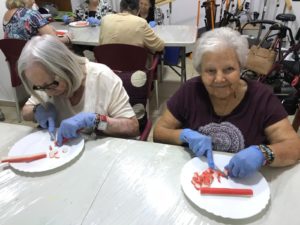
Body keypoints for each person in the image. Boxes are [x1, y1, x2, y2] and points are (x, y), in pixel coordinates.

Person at [153, 27, 300, 179]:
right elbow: (159, 132)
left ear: (240, 66)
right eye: (210, 71)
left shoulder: (261, 97)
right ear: (200, 71)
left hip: (247, 185)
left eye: (229, 69)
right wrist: (183, 135)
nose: (219, 79)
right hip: (198, 179)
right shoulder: (190, 90)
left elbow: (294, 147)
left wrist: (263, 153)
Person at [18, 35, 139, 146]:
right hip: (64, 151)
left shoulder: (102, 77)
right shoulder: (44, 81)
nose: (48, 93)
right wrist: (37, 110)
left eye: (52, 85)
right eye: (40, 87)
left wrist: (96, 121)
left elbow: (132, 128)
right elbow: (25, 112)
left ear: (66, 67)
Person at [99, 0, 164, 53]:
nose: (143, 6)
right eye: (141, 3)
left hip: (108, 66)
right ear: (138, 10)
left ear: (120, 9)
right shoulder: (142, 23)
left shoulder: (105, 20)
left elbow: (100, 44)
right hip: (134, 67)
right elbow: (160, 46)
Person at [3, 0, 70, 43]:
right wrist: (68, 38)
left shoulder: (6, 14)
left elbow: (23, 34)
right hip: (35, 58)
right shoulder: (31, 13)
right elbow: (54, 41)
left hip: (18, 59)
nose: (34, 1)